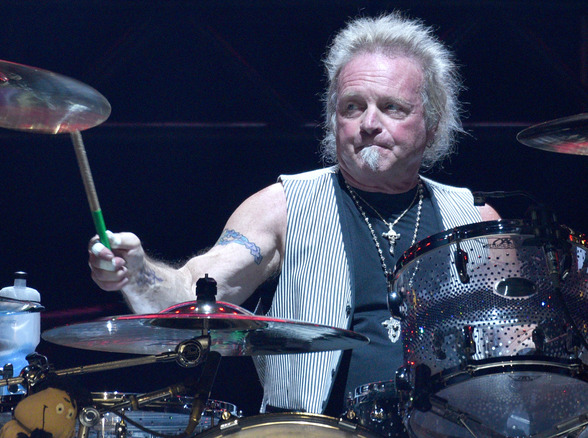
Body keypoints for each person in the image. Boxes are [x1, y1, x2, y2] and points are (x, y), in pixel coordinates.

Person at [87, 11, 500, 421]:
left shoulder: (475, 218)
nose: (368, 123)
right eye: (353, 107)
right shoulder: (283, 206)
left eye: (391, 107)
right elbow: (196, 293)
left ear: (431, 123)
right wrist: (138, 272)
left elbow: (519, 356)